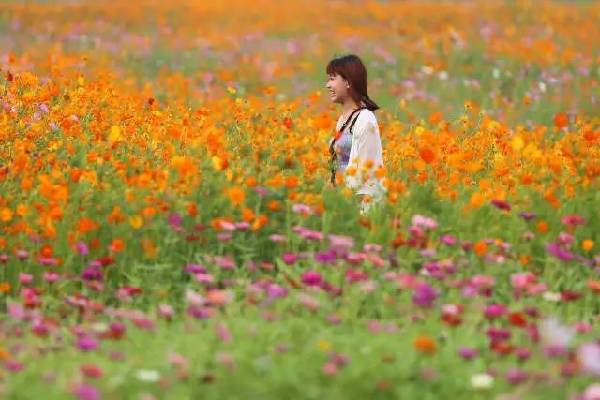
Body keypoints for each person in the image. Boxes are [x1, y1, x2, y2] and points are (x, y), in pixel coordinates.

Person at [325, 54, 387, 214]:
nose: (327, 85)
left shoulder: (365, 119)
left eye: (332, 79)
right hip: (342, 203)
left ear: (347, 82)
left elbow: (368, 171)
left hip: (359, 207)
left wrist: (355, 213)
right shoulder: (343, 119)